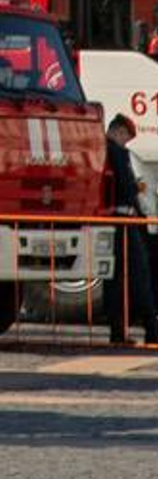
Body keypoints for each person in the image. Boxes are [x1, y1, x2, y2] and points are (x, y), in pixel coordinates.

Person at [103, 114, 155, 348]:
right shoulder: (117, 153)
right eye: (126, 137)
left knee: (114, 280)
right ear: (118, 131)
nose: (126, 143)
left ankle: (117, 330)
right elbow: (127, 186)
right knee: (138, 274)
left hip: (110, 219)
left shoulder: (101, 151)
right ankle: (151, 329)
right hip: (125, 220)